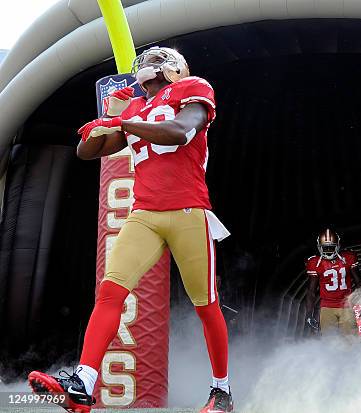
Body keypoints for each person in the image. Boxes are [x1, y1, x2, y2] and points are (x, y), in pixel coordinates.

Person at [27, 47, 233, 413]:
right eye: (146, 58)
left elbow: (178, 132)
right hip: (144, 214)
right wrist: (105, 119)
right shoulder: (134, 107)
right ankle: (83, 384)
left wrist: (120, 123)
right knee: (109, 293)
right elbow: (88, 152)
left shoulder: (192, 87)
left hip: (188, 210)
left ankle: (222, 391)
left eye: (157, 58)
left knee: (206, 305)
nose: (147, 63)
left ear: (175, 68)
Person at [304, 229, 361, 336]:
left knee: (350, 341)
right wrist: (309, 314)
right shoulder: (314, 262)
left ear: (338, 246)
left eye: (331, 247)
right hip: (327, 306)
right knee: (328, 341)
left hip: (346, 305)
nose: (328, 250)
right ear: (319, 247)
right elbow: (311, 291)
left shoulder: (348, 258)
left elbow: (359, 283)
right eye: (325, 248)